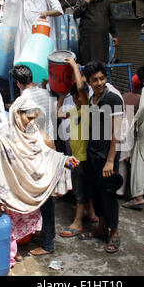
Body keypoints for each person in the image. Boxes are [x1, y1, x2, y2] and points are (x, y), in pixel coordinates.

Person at [0, 97, 79, 269]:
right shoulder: (3, 136)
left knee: (27, 218)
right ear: (17, 113)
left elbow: (44, 153)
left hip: (26, 187)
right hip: (8, 189)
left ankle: (14, 248)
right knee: (8, 222)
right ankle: (8, 254)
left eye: (35, 118)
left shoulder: (32, 131)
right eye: (29, 118)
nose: (32, 122)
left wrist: (63, 160)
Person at [11, 64, 59, 256]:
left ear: (17, 82)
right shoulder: (46, 94)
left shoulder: (22, 100)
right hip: (50, 146)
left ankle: (48, 244)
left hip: (36, 152)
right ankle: (46, 234)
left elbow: (23, 129)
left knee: (42, 197)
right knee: (46, 195)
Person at [77, 60, 123, 254]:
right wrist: (74, 65)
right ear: (88, 81)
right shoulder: (91, 99)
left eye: (102, 78)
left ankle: (115, 233)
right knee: (95, 192)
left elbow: (117, 133)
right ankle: (102, 228)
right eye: (94, 80)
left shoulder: (113, 99)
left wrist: (111, 160)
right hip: (93, 154)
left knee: (108, 195)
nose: (99, 83)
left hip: (107, 155)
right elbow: (80, 86)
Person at [58, 58, 97, 237]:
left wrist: (74, 66)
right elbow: (59, 114)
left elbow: (81, 88)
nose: (75, 100)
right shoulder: (76, 111)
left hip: (82, 158)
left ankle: (77, 222)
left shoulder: (88, 108)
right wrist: (61, 94)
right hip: (76, 157)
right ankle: (92, 213)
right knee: (84, 187)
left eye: (76, 97)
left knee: (80, 190)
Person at [10, 0, 63, 64]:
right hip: (26, 44)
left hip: (41, 42)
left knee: (41, 66)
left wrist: (46, 13)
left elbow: (59, 10)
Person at [73, 0, 117, 65]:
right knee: (88, 64)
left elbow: (111, 18)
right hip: (87, 40)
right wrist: (87, 1)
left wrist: (114, 35)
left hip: (102, 39)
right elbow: (75, 14)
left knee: (102, 64)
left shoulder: (105, 0)